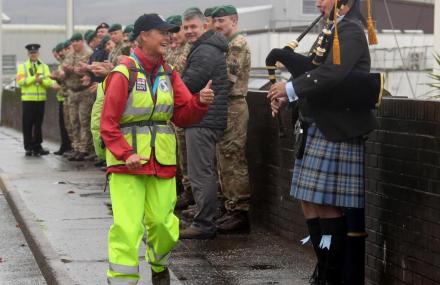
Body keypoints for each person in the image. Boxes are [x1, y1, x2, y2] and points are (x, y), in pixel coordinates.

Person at [268, 0, 377, 283]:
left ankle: (331, 274)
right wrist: (286, 77)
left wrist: (290, 87)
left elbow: (332, 74)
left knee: (325, 204)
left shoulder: (351, 30)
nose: (317, 2)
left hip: (336, 128)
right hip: (316, 125)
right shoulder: (331, 30)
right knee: (309, 202)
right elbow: (314, 69)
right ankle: (323, 264)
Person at [101, 13, 214, 285]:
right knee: (127, 229)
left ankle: (159, 266)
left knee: (164, 225)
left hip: (161, 162)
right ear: (143, 36)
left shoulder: (169, 73)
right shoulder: (122, 73)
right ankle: (122, 281)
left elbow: (182, 115)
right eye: (161, 32)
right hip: (126, 165)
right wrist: (126, 154)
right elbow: (108, 124)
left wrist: (199, 101)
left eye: (169, 32)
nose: (168, 36)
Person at [178, 7, 229, 239]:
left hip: (203, 118)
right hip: (205, 117)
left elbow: (190, 82)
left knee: (201, 173)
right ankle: (205, 218)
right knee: (203, 171)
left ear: (204, 26)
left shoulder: (205, 50)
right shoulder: (204, 47)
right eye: (186, 27)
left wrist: (165, 88)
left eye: (193, 27)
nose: (189, 31)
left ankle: (204, 224)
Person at [212, 5, 252, 234]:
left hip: (234, 106)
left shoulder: (237, 44)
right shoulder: (226, 44)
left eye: (222, 21)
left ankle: (239, 212)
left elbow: (227, 78)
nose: (218, 25)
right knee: (224, 159)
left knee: (233, 157)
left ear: (234, 21)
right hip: (225, 105)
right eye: (215, 21)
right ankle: (229, 208)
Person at [16, 44, 54, 156]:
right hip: (28, 99)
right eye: (31, 53)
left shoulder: (44, 66)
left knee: (38, 125)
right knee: (27, 124)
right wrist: (34, 79)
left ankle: (38, 146)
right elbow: (20, 81)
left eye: (35, 53)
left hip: (40, 99)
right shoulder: (23, 67)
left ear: (38, 54)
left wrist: (42, 81)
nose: (33, 55)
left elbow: (49, 81)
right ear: (28, 54)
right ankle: (28, 147)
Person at [62, 32, 93, 161]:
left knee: (83, 120)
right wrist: (65, 70)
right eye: (73, 41)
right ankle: (76, 147)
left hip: (83, 91)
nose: (74, 44)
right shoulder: (70, 55)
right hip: (72, 91)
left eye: (77, 41)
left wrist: (73, 69)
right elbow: (64, 69)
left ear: (81, 41)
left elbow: (88, 71)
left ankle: (84, 149)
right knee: (73, 121)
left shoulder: (88, 53)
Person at [51, 42, 72, 155]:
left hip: (68, 96)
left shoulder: (68, 62)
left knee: (73, 125)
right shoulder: (62, 64)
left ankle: (69, 147)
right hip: (63, 97)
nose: (58, 56)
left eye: (59, 53)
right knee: (66, 124)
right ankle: (66, 146)